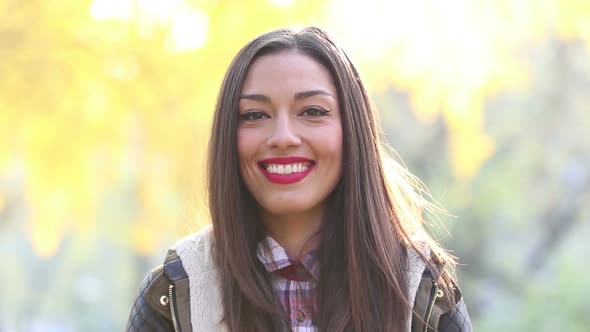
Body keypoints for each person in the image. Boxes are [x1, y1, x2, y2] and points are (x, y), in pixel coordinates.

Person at [126, 26, 472, 332]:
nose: (283, 137)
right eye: (254, 115)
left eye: (313, 112)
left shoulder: (420, 287)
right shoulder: (178, 290)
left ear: (352, 130)